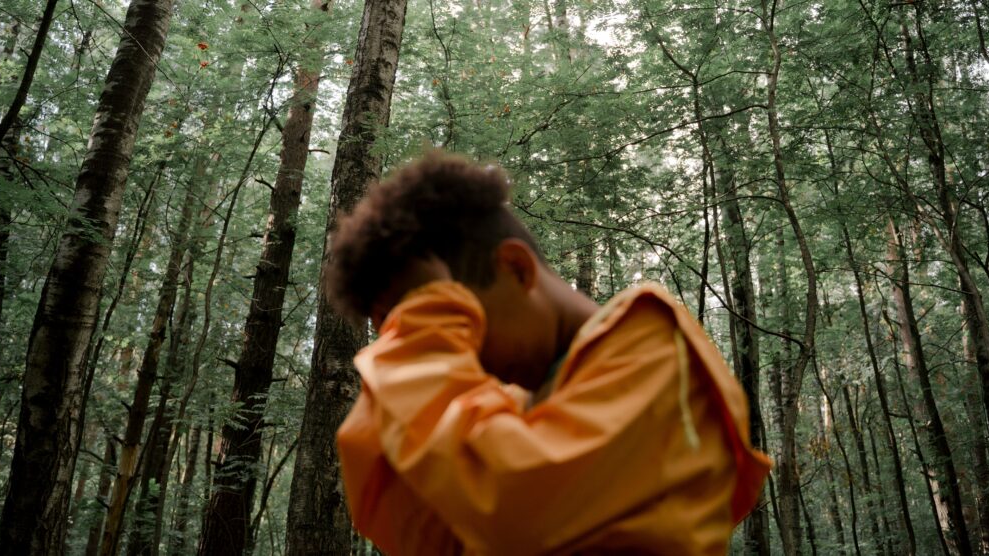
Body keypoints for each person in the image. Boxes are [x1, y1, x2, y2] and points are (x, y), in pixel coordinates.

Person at [329, 151, 771, 555]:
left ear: (516, 269)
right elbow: (416, 526)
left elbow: (515, 510)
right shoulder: (527, 412)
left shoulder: (652, 346)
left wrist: (426, 335)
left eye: (465, 326)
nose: (470, 366)